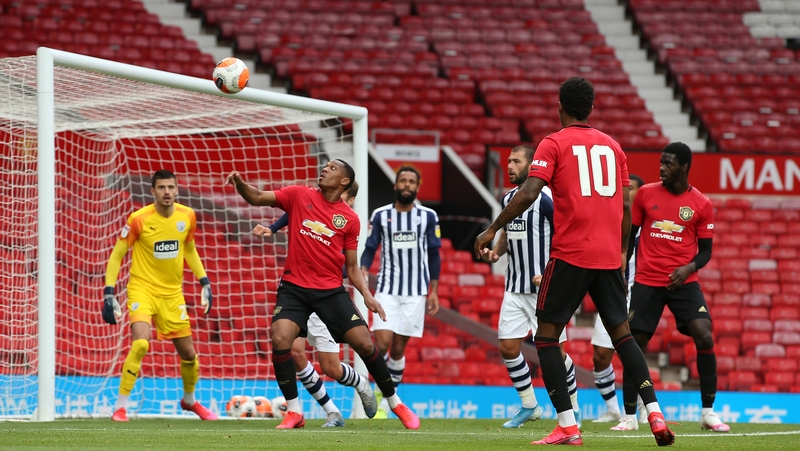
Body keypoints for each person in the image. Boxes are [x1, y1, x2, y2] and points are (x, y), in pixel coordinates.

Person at [474, 78, 674, 446]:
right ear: (592, 108)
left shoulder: (553, 143)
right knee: (623, 336)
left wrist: (492, 228)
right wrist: (622, 251)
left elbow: (530, 192)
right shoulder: (614, 147)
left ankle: (568, 425)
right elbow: (627, 207)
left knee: (546, 338)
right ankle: (655, 413)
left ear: (560, 106)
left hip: (570, 254)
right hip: (608, 256)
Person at [225, 159, 420, 430]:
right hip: (294, 288)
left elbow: (351, 266)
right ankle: (294, 412)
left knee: (364, 344)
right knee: (281, 338)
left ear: (344, 182)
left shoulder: (350, 219)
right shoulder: (298, 194)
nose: (325, 169)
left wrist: (366, 294)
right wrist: (241, 184)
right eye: (325, 166)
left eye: (332, 168)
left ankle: (395, 402)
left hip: (329, 291)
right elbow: (257, 197)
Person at [616, 142, 729, 433]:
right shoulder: (645, 194)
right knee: (634, 344)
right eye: (661, 163)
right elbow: (631, 234)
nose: (662, 168)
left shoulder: (701, 204)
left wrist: (688, 268)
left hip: (684, 282)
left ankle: (707, 413)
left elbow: (705, 252)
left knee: (704, 335)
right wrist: (621, 267)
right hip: (647, 281)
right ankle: (629, 416)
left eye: (668, 164)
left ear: (684, 167)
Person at [252, 181, 374, 428]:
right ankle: (330, 412)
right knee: (293, 351)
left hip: (325, 302)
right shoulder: (315, 208)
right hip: (298, 294)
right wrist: (273, 228)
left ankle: (360, 382)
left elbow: (348, 267)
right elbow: (298, 210)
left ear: (348, 200)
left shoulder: (348, 224)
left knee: (331, 368)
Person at [102, 170, 217, 422]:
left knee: (189, 355)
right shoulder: (138, 219)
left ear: (177, 190)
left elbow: (189, 248)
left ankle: (189, 401)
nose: (167, 192)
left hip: (172, 295)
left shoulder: (187, 216)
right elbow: (116, 255)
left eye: (171, 187)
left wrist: (204, 281)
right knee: (141, 343)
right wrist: (109, 292)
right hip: (142, 290)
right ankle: (120, 407)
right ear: (152, 191)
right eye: (162, 187)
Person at [480, 145, 582, 429]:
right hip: (514, 286)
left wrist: (551, 270)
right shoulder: (509, 198)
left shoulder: (548, 198)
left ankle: (573, 408)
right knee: (508, 348)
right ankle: (529, 405)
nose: (509, 165)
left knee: (556, 352)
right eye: (508, 161)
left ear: (532, 164)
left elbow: (566, 236)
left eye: (516, 161)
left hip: (544, 288)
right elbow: (510, 230)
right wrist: (497, 252)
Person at [359, 166, 441, 418]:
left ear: (417, 186)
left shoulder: (428, 216)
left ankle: (385, 400)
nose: (406, 185)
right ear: (395, 185)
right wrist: (362, 270)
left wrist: (434, 291)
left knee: (397, 350)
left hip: (416, 292)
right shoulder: (381, 215)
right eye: (402, 181)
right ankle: (377, 390)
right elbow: (371, 246)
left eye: (411, 181)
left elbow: (434, 253)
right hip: (387, 289)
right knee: (381, 343)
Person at [590, 174, 647, 425]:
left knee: (630, 353)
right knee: (601, 355)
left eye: (632, 189)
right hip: (614, 293)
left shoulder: (649, 225)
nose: (628, 193)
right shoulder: (611, 221)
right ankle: (613, 409)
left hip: (640, 293)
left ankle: (642, 406)